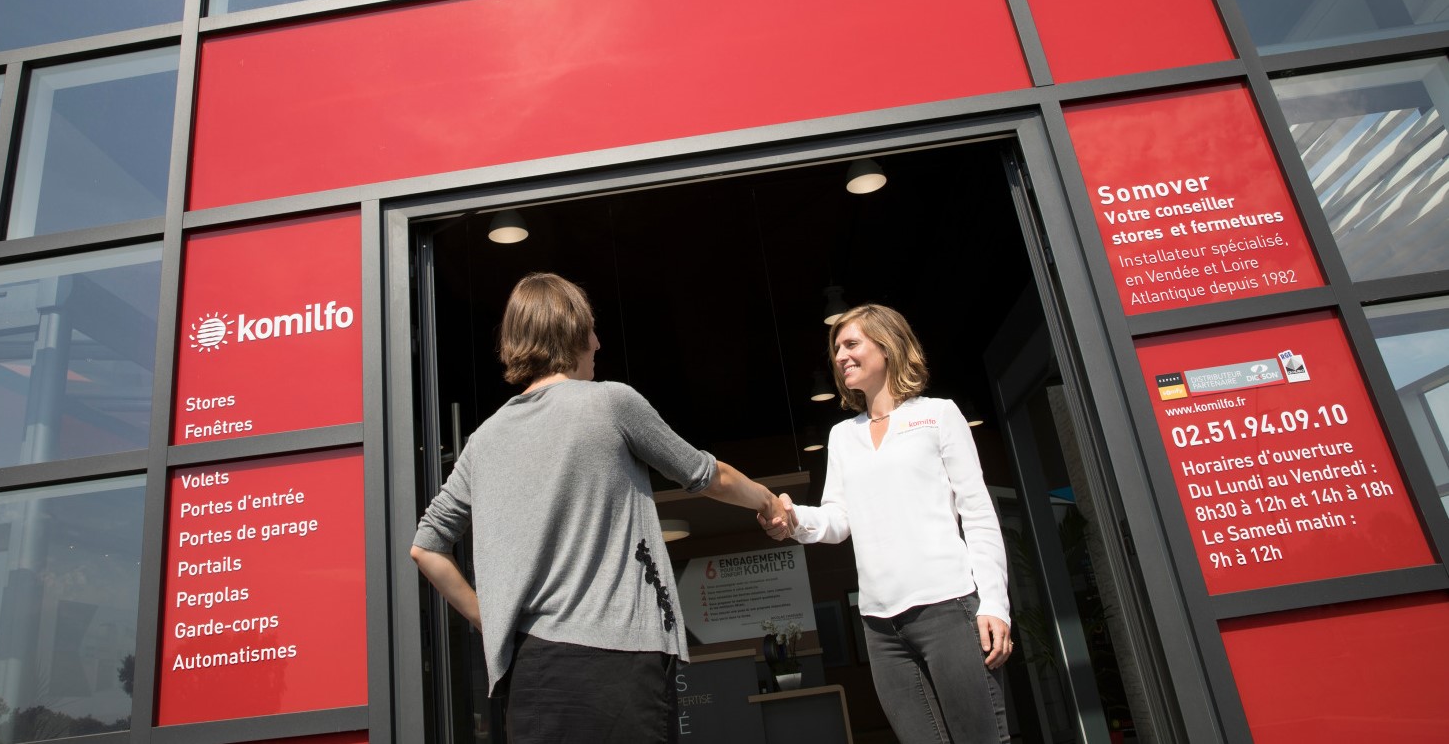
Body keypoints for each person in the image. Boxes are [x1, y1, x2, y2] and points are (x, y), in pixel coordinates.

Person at [411, 272, 786, 743]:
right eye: (590, 328)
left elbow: (426, 548)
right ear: (569, 331)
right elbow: (708, 476)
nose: (598, 341)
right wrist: (769, 501)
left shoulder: (482, 441)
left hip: (529, 674)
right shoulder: (611, 402)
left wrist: (492, 618)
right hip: (616, 661)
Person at [762, 303, 1012, 743]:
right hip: (879, 626)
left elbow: (978, 513)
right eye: (836, 348)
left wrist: (994, 603)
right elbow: (839, 519)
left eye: (851, 343)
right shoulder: (843, 436)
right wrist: (793, 518)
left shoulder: (939, 414)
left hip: (949, 609)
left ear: (888, 346)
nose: (840, 356)